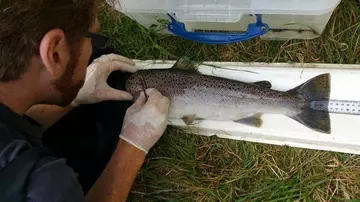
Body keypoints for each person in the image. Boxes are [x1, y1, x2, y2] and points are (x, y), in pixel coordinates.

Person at [0, 0, 170, 201]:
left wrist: (74, 100)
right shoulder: (40, 184)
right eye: (93, 38)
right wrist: (133, 145)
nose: (93, 47)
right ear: (55, 53)